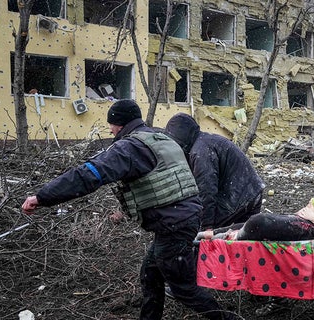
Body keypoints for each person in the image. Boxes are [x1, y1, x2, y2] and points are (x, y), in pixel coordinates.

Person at [21, 100, 233, 320]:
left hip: (174, 225)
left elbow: (88, 175)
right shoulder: (160, 138)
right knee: (150, 273)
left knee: (184, 289)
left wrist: (42, 196)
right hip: (183, 218)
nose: (110, 130)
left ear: (119, 124)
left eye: (111, 124)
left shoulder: (129, 147)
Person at [165, 113, 265, 231]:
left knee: (203, 233)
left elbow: (206, 190)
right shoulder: (205, 141)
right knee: (241, 239)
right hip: (251, 191)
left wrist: (206, 226)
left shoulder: (200, 152)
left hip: (239, 196)